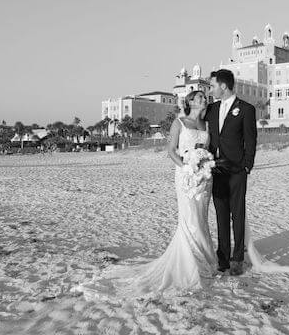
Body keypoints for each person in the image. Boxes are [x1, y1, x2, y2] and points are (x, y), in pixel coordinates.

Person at [76, 90, 217, 298]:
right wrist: (186, 168)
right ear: (189, 102)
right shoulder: (179, 122)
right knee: (189, 220)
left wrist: (204, 166)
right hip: (185, 175)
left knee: (202, 218)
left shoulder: (206, 125)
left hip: (204, 177)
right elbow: (171, 150)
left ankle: (204, 259)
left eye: (205, 97)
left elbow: (206, 149)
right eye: (198, 97)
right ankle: (190, 263)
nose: (203, 100)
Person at [205, 69, 257, 276]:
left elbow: (251, 140)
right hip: (216, 169)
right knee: (221, 214)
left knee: (237, 213)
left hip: (237, 170)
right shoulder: (211, 108)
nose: (210, 90)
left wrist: (247, 165)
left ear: (223, 86)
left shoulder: (246, 109)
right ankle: (223, 258)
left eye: (212, 86)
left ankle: (237, 259)